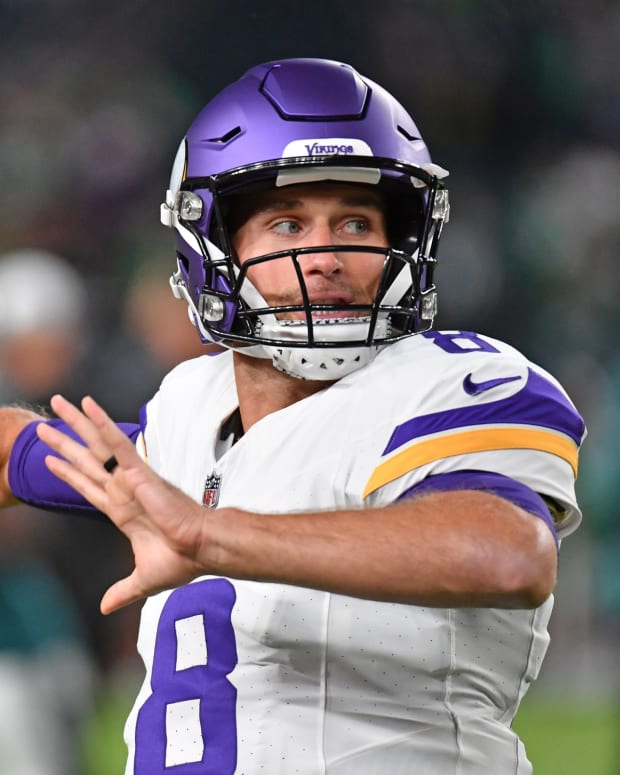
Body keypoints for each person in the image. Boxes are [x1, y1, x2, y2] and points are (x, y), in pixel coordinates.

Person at [0, 58, 586, 774]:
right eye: (287, 223)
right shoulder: (188, 413)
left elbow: (506, 552)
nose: (327, 255)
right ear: (213, 246)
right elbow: (18, 449)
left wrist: (211, 535)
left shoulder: (454, 383)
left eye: (355, 222)